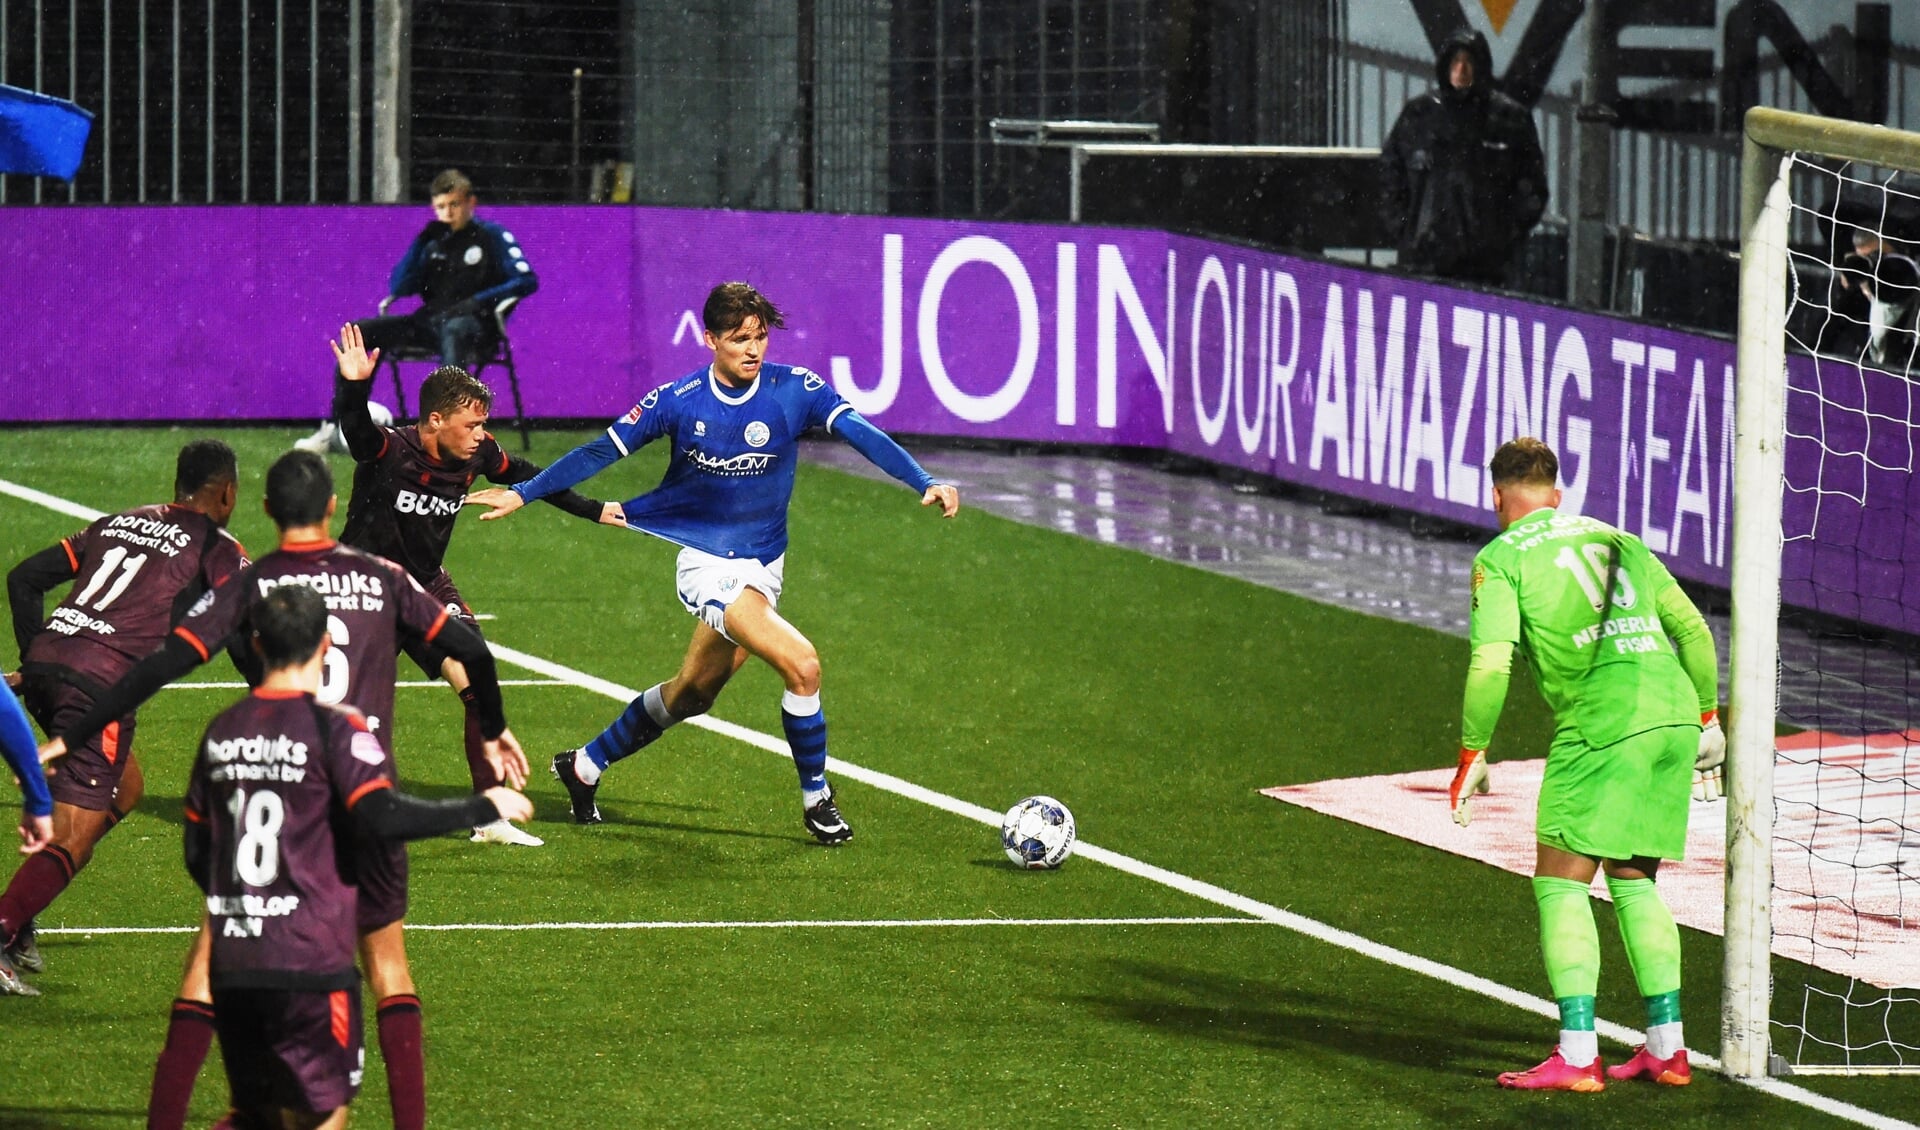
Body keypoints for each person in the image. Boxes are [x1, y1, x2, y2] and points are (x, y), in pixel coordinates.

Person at [42, 449, 527, 1130]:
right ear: (333, 508)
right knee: (387, 967)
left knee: (211, 960)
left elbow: (163, 661)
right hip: (365, 787)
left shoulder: (255, 580)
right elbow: (472, 649)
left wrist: (76, 730)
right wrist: (496, 729)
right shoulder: (382, 575)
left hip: (271, 778)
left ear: (266, 511)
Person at [466, 281, 960, 844]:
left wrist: (924, 479)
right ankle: (817, 801)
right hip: (708, 566)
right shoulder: (677, 401)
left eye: (760, 337)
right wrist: (524, 492)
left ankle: (582, 767)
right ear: (709, 340)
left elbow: (860, 432)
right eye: (738, 339)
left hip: (765, 565)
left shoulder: (795, 390)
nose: (753, 349)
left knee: (694, 694)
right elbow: (599, 451)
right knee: (803, 666)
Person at [185, 583, 532, 1130]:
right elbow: (381, 816)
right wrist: (480, 806)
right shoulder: (339, 727)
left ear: (254, 645)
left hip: (237, 966)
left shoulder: (224, 729)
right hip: (311, 967)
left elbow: (197, 849)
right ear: (325, 645)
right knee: (322, 1116)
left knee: (256, 1115)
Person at [1447, 437, 1723, 1092]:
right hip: (1675, 717)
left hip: (1603, 726)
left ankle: (1576, 1053)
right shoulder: (1619, 539)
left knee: (1563, 882)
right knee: (1635, 880)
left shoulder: (1501, 557)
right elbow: (1695, 632)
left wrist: (1471, 751)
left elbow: (1490, 663)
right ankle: (1667, 1047)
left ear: (1497, 495)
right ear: (1557, 492)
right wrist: (1709, 717)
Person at [327, 322, 617, 846]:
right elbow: (354, 427)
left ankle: (488, 818)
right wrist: (352, 386)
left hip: (425, 588)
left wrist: (596, 511)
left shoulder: (478, 455)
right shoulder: (388, 451)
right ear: (435, 420)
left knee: (480, 691)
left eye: (485, 423)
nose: (482, 434)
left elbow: (533, 475)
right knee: (349, 712)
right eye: (472, 424)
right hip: (363, 593)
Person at [1, 439, 249, 997]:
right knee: (73, 834)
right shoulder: (220, 548)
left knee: (126, 787)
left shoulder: (117, 520)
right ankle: (6, 926)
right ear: (227, 492)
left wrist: (38, 661)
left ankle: (21, 911)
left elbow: (23, 579)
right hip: (99, 688)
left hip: (45, 669)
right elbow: (238, 631)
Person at [297, 167, 537, 453]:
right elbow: (400, 286)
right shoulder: (435, 241)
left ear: (471, 203)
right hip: (429, 325)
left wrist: (479, 301)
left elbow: (526, 280)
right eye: (441, 207)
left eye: (455, 204)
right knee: (361, 333)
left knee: (454, 329)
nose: (448, 213)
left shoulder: (492, 235)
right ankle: (338, 426)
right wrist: (421, 242)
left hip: (475, 327)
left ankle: (446, 432)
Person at [1378, 28, 1547, 287]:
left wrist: (1503, 236)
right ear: (1445, 65)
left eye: (1468, 61)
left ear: (1481, 67)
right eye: (1455, 61)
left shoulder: (1509, 119)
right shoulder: (1419, 115)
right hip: (1425, 262)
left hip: (1486, 269)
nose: (1461, 69)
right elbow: (1391, 171)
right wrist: (1406, 229)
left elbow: (1533, 187)